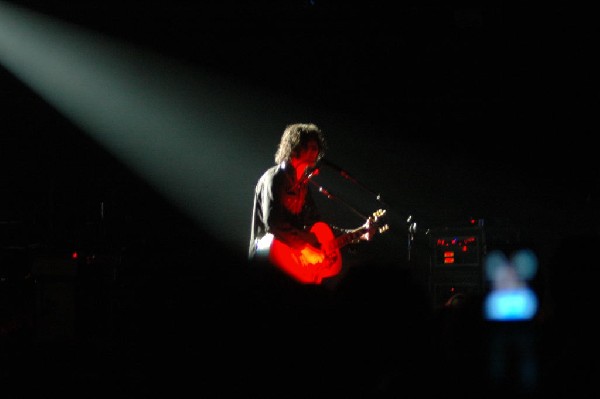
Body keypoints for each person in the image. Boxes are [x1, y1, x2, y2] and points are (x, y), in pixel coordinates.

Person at [248, 123, 378, 285]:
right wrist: (306, 248)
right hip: (269, 258)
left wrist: (356, 233)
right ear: (294, 148)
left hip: (293, 262)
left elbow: (317, 224)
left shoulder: (303, 186)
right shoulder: (275, 177)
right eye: (309, 147)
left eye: (316, 148)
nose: (314, 152)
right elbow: (273, 223)